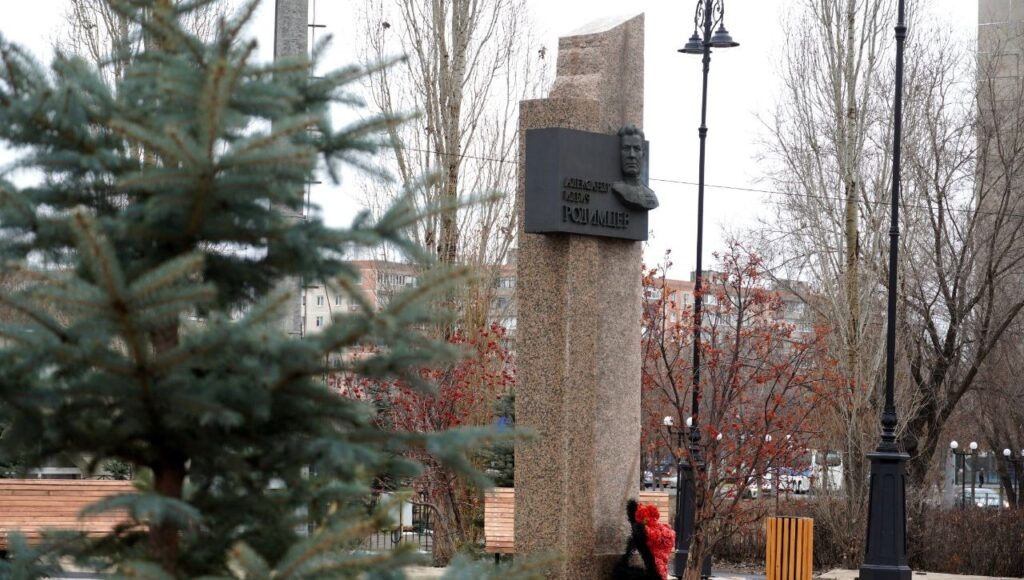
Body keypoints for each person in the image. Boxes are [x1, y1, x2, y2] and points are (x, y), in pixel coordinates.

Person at [612, 124, 659, 211]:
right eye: (626, 148)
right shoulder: (616, 188)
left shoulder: (651, 197)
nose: (632, 155)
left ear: (643, 155)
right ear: (619, 153)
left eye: (636, 149)